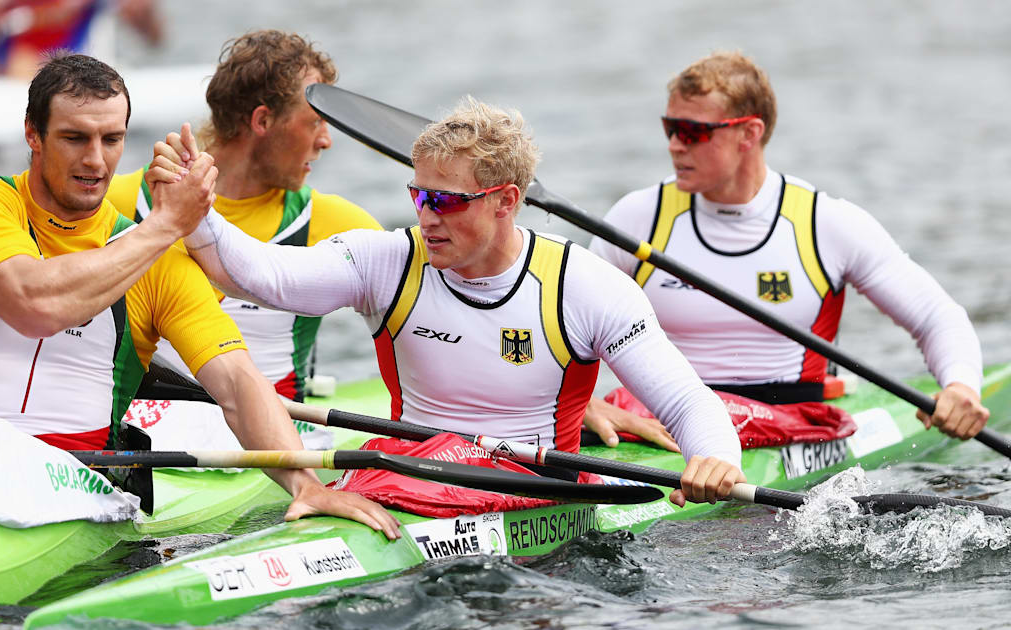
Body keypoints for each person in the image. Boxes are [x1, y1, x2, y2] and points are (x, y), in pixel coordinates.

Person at [156, 97, 745, 507]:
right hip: (412, 479)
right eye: (419, 194)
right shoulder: (388, 260)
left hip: (538, 497)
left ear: (505, 201)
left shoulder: (581, 284)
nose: (427, 216)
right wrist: (195, 211)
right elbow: (260, 277)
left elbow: (688, 403)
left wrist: (715, 458)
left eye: (448, 201)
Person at [0, 52, 399, 538]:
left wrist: (305, 483)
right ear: (32, 134)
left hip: (72, 492)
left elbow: (236, 380)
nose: (95, 160)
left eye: (112, 139)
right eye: (74, 138)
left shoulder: (162, 264)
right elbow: (34, 307)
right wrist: (165, 225)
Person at [586, 50, 989, 441]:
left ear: (749, 133)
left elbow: (936, 317)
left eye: (694, 132)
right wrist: (586, 406)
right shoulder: (638, 218)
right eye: (670, 128)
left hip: (789, 418)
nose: (675, 144)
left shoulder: (823, 224)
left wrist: (961, 387)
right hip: (661, 417)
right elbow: (560, 314)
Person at [107, 29, 383, 402]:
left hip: (274, 438)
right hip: (152, 433)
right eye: (315, 121)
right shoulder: (122, 202)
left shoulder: (334, 223)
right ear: (263, 121)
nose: (326, 140)